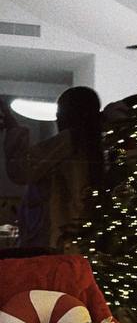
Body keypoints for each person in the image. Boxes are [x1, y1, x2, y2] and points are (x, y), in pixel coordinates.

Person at [1, 86, 104, 250]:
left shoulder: (69, 141)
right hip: (80, 243)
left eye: (60, 112)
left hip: (56, 241)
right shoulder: (99, 147)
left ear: (70, 114)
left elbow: (21, 170)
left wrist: (12, 127)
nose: (57, 118)